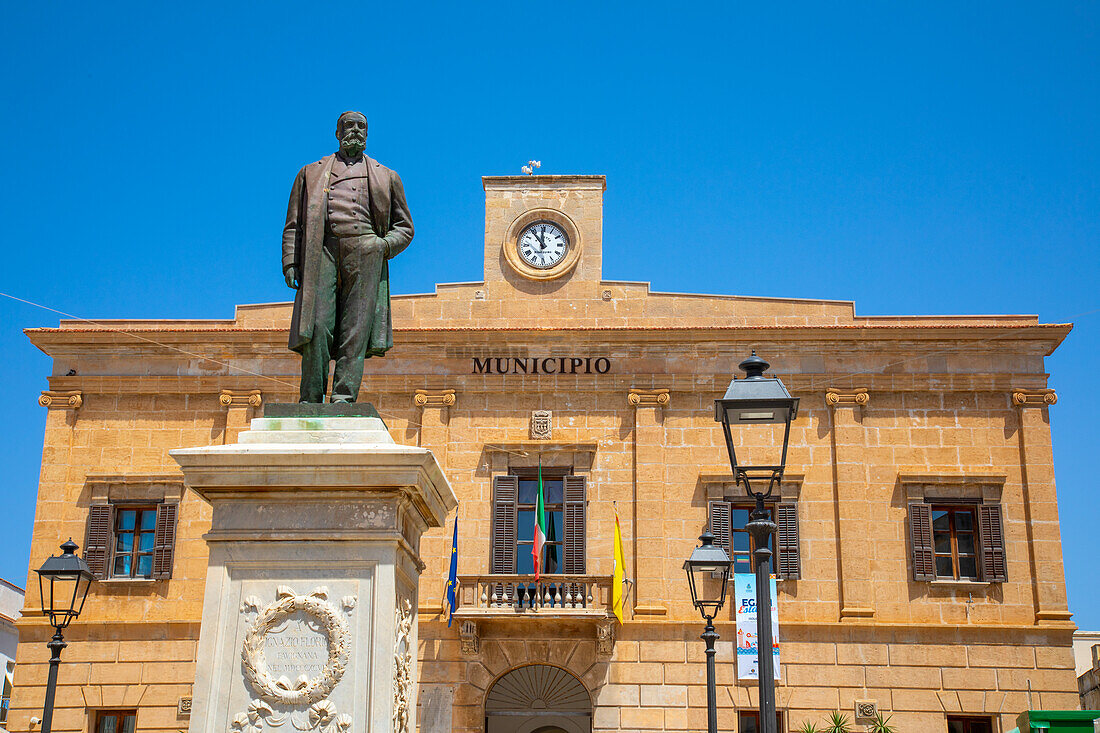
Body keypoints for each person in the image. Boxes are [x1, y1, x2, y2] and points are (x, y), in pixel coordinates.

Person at [282, 111, 414, 403]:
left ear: (368, 133)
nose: (356, 131)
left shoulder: (386, 175)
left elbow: (405, 227)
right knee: (316, 325)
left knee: (355, 328)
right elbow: (294, 223)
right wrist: (291, 260)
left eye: (361, 126)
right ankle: (311, 397)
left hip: (365, 251)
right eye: (349, 126)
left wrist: (382, 246)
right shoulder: (310, 172)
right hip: (322, 251)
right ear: (337, 133)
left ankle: (343, 397)